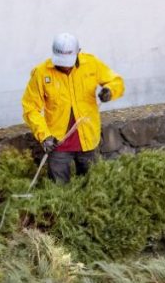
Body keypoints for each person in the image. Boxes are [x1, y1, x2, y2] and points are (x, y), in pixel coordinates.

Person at [21, 33, 124, 183]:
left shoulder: (91, 64)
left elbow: (116, 81)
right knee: (59, 190)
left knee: (92, 186)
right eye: (60, 61)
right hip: (58, 143)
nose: (64, 65)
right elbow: (30, 107)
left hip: (87, 139)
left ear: (78, 51)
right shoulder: (41, 73)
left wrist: (109, 91)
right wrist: (44, 136)